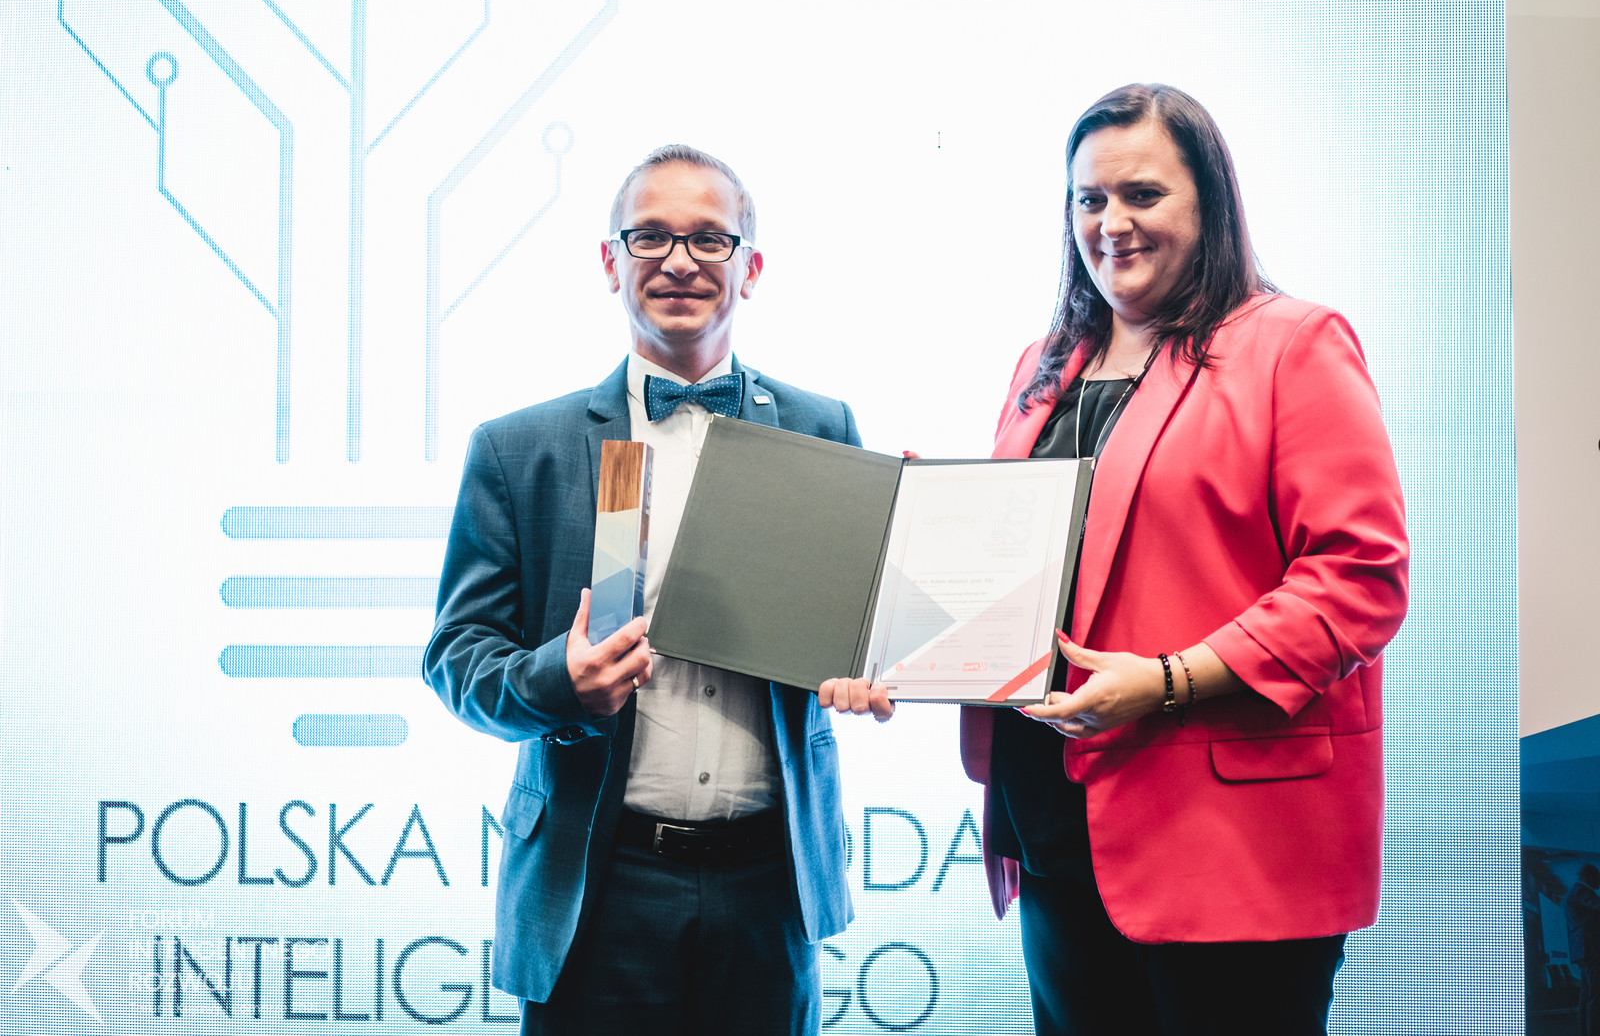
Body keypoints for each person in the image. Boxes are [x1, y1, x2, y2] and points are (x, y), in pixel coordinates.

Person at [958, 84, 1410, 1035]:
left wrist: (1168, 680)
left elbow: (1359, 579)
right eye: (1089, 199)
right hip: (1055, 828)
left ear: (1209, 202)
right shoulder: (1043, 365)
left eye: (1143, 194)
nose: (1111, 222)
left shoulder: (1293, 345)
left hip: (1227, 840)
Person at [424, 144, 889, 1036]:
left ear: (751, 268)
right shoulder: (519, 450)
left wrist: (879, 656)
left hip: (770, 887)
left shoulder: (823, 428)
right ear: (612, 262)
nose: (681, 261)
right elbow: (455, 657)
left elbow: (858, 621)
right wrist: (557, 681)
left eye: (710, 239)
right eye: (651, 237)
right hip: (596, 885)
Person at [1568, 864, 1600, 1035]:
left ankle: (1586, 1031)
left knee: (1587, 995)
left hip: (1583, 950)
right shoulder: (1582, 891)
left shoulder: (1575, 892)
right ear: (1588, 877)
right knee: (1594, 996)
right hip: (1591, 950)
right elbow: (1597, 905)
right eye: (1597, 877)